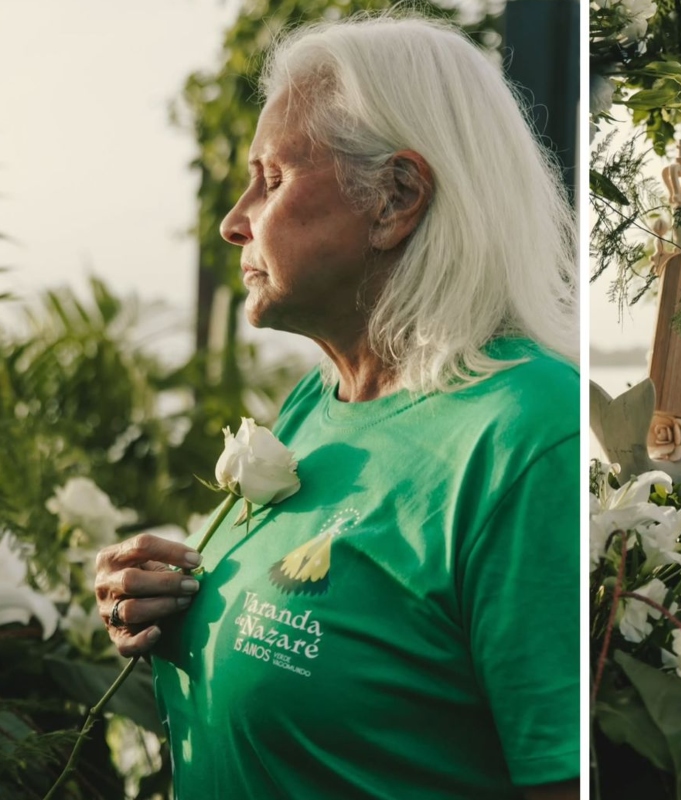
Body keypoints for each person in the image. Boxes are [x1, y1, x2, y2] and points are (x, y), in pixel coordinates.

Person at [92, 14, 579, 800]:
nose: (234, 221)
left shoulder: (526, 437)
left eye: (273, 178)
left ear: (395, 198)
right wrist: (182, 609)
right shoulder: (320, 400)